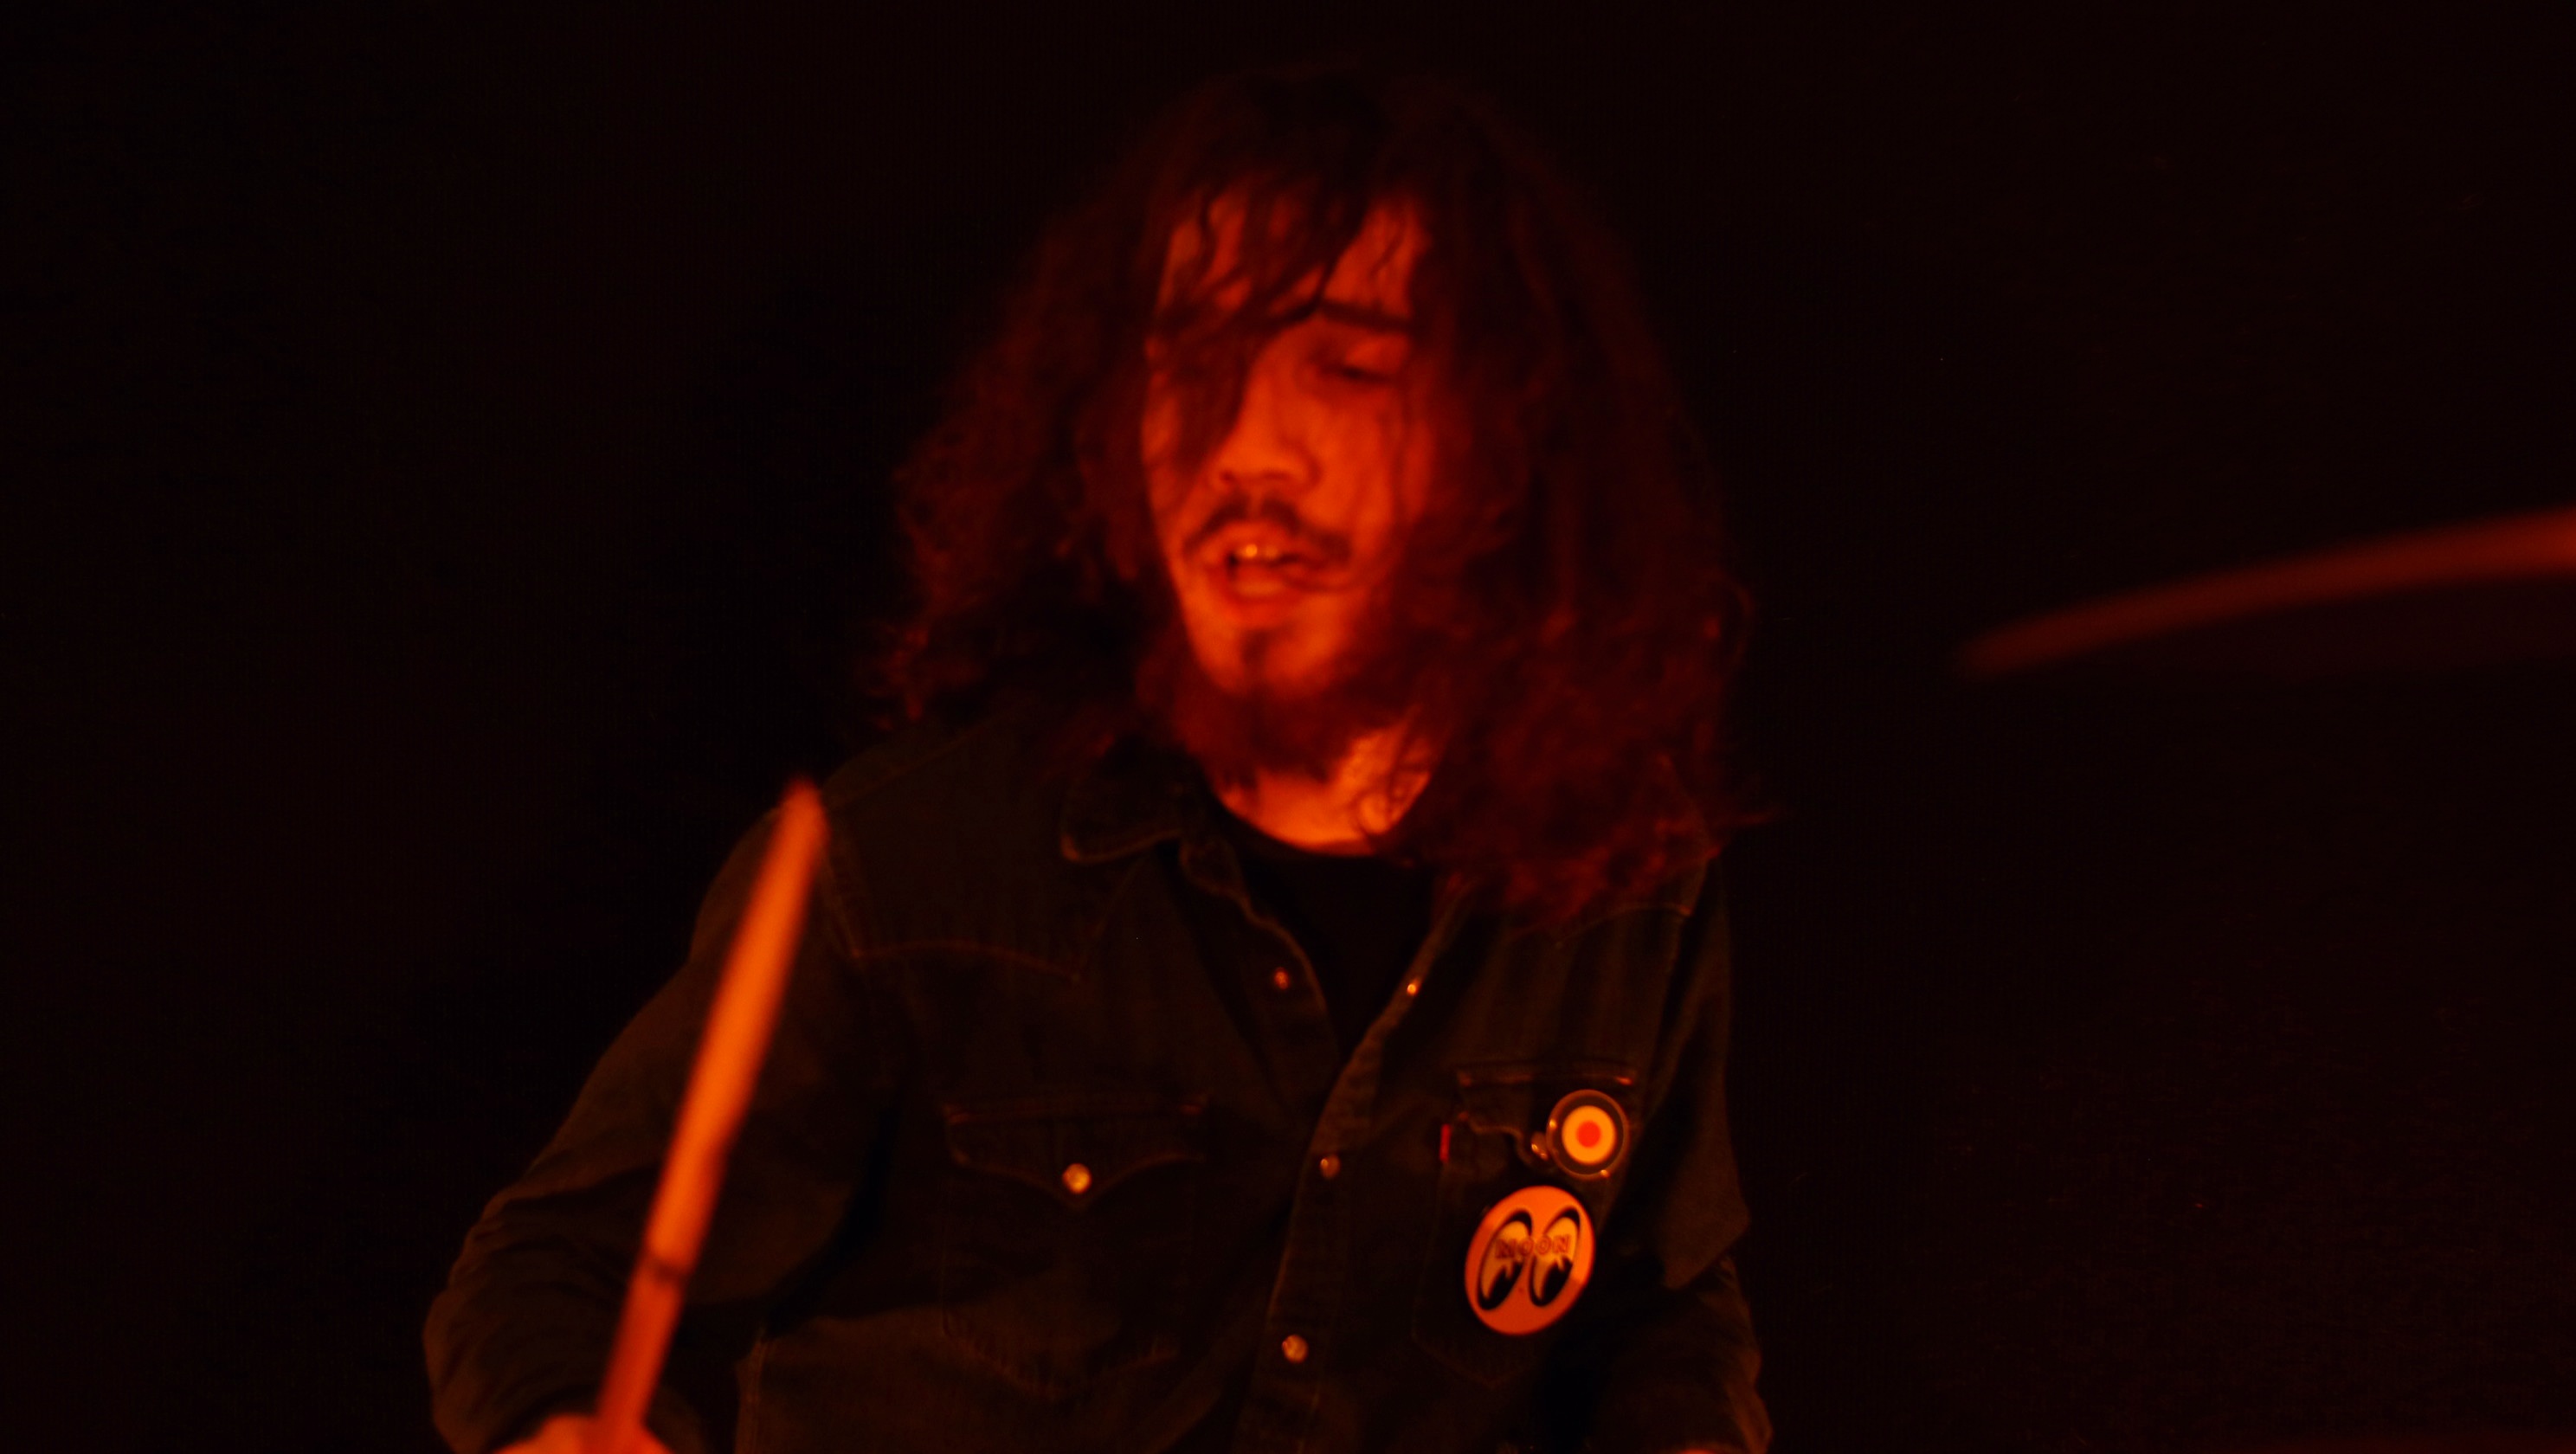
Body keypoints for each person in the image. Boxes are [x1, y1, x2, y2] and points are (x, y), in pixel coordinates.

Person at [428, 65, 1769, 1454]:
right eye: (1192, 365)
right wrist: (560, 1426)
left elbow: (1656, 1302)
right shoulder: (910, 873)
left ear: (1506, 444)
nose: (1247, 446)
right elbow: (557, 1273)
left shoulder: (1624, 878)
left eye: (1349, 368)